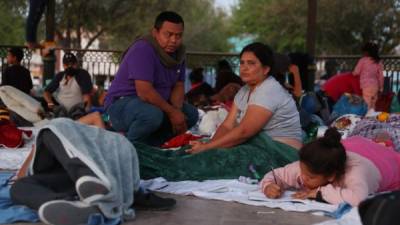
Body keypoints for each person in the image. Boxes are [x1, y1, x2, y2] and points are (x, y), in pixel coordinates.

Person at [11, 118, 176, 225]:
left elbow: (95, 117)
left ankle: (90, 177)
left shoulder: (90, 131)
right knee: (18, 187)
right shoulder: (48, 137)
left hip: (95, 170)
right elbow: (21, 175)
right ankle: (74, 204)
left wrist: (55, 128)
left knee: (54, 126)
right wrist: (35, 148)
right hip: (70, 180)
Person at [188, 42, 302, 154]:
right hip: (261, 147)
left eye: (251, 63)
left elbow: (244, 132)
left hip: (282, 152)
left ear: (266, 69)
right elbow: (227, 125)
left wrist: (208, 147)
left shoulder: (269, 90)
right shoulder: (244, 91)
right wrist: (209, 146)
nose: (244, 68)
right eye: (242, 63)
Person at [104, 11, 198, 146]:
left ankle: (154, 146)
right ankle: (129, 148)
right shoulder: (143, 48)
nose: (174, 40)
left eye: (178, 35)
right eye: (169, 34)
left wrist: (177, 111)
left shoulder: (179, 54)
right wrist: (172, 113)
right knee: (151, 115)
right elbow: (145, 92)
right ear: (155, 32)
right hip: (121, 105)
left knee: (190, 114)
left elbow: (178, 85)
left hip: (154, 105)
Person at [261, 128, 400, 206]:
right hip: (354, 145)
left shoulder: (355, 172)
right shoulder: (312, 163)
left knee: (387, 150)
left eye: (310, 177)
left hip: (383, 161)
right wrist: (269, 185)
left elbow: (359, 199)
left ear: (332, 175)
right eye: (303, 172)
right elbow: (277, 174)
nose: (303, 178)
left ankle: (383, 144)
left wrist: (319, 192)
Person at [43, 52, 93, 118]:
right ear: (63, 65)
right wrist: (50, 103)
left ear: (76, 64)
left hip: (77, 111)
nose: (70, 66)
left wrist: (86, 112)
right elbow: (46, 92)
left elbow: (86, 97)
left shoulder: (82, 75)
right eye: (67, 64)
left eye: (72, 64)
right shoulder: (60, 76)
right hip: (60, 110)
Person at [353, 41, 384, 113]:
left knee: (367, 104)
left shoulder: (363, 60)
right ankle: (372, 118)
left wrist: (353, 73)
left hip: (366, 86)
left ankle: (367, 120)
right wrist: (381, 88)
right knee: (373, 104)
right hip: (375, 86)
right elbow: (381, 77)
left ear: (367, 52)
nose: (363, 53)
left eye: (363, 52)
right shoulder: (378, 62)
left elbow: (356, 72)